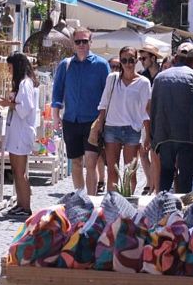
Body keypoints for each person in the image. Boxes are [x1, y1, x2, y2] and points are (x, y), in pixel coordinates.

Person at [52, 28, 110, 195]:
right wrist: (56, 116)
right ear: (73, 44)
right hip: (71, 121)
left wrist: (102, 121)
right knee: (76, 162)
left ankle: (91, 202)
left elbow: (107, 95)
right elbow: (57, 92)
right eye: (78, 41)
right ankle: (80, 197)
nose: (82, 45)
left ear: (90, 43)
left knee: (91, 162)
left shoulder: (101, 65)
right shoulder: (66, 65)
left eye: (85, 41)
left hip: (93, 122)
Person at [150, 43, 193, 193]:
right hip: (187, 134)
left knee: (165, 174)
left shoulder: (159, 77)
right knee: (185, 178)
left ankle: (164, 209)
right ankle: (184, 211)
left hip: (164, 134)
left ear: (176, 57)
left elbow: (152, 106)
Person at [94, 46, 151, 194]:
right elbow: (103, 104)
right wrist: (98, 126)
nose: (128, 64)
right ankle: (112, 203)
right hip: (112, 128)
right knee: (113, 171)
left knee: (129, 172)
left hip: (132, 129)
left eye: (131, 60)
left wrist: (148, 136)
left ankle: (128, 203)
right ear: (120, 62)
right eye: (124, 60)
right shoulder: (112, 79)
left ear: (136, 60)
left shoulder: (143, 82)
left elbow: (146, 111)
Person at [1, 52, 40, 217]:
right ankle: (20, 203)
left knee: (19, 172)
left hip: (21, 132)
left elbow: (25, 108)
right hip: (17, 131)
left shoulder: (25, 84)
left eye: (10, 67)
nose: (9, 71)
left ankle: (26, 206)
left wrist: (8, 104)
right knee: (16, 171)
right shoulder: (23, 83)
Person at [137, 44, 163, 194]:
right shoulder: (142, 75)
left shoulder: (163, 75)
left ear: (153, 58)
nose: (141, 61)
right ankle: (150, 181)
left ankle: (155, 184)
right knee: (143, 152)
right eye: (140, 58)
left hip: (160, 119)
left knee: (156, 153)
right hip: (144, 119)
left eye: (144, 58)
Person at [96, 57, 122, 194]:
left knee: (113, 160)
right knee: (100, 154)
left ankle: (116, 189)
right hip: (104, 122)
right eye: (112, 66)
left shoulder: (122, 83)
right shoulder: (105, 81)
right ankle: (101, 180)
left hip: (118, 125)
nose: (115, 69)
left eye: (118, 66)